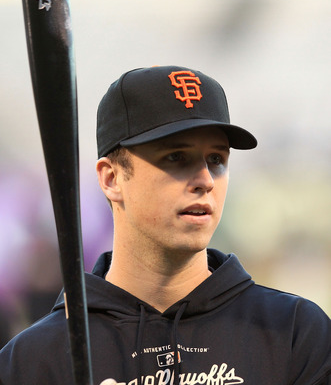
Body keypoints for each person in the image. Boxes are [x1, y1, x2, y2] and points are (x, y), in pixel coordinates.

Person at [0, 65, 330, 385]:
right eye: (176, 157)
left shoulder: (295, 332)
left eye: (216, 159)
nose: (205, 180)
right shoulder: (35, 360)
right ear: (112, 178)